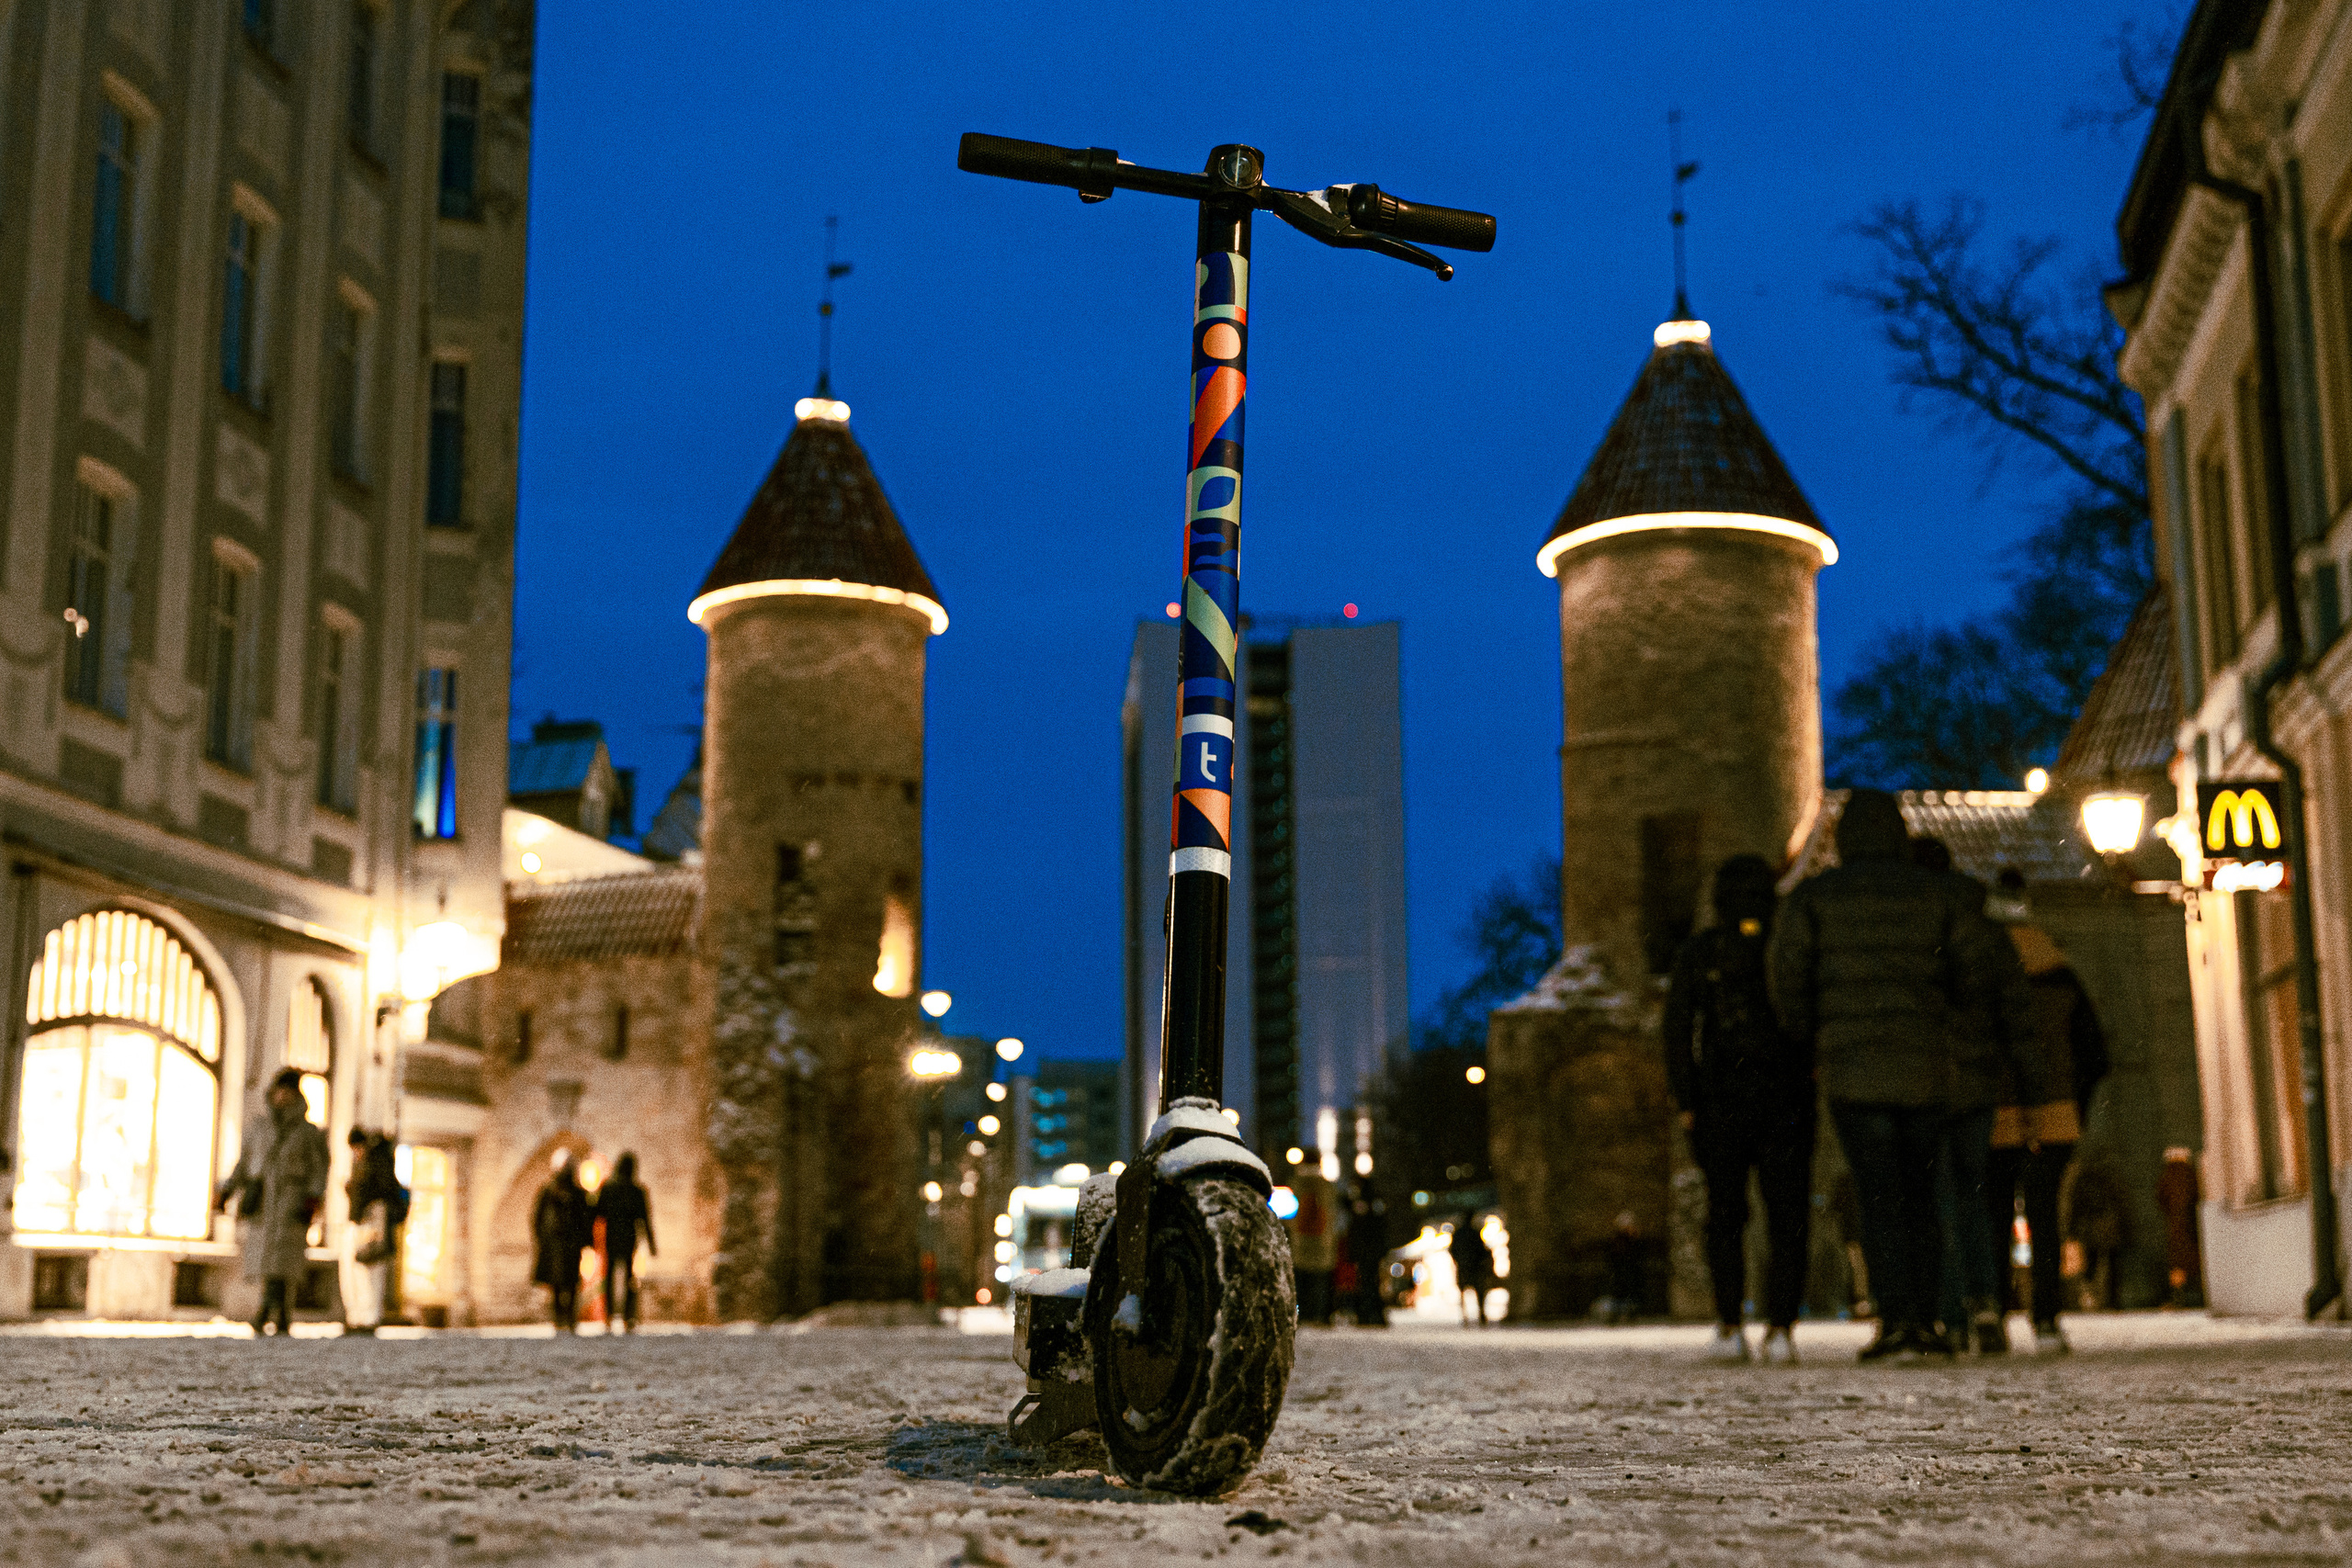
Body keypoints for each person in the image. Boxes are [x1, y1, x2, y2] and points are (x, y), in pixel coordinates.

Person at [1769, 789, 2035, 1365]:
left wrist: (1813, 1032)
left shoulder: (1815, 900)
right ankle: (1930, 1319)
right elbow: (1974, 976)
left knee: (1877, 1193)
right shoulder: (1940, 898)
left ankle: (1893, 1320)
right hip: (1927, 1069)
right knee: (1922, 1192)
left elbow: (1788, 979)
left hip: (1853, 1071)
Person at [1663, 852, 1815, 1366]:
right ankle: (1781, 1327)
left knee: (1726, 1215)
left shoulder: (1702, 951)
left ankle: (1730, 1323)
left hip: (1721, 1100)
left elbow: (1678, 1029)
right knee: (1787, 1216)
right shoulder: (1787, 946)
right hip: (1787, 1098)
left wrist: (1687, 1100)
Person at [1985, 899, 2109, 1355]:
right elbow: (2095, 1055)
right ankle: (2046, 1318)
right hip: (2056, 1115)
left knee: (1995, 1216)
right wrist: (2074, 1102)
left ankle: (1995, 1312)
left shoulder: (1984, 978)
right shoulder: (2063, 982)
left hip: (1995, 1116)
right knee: (2045, 1217)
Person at [1911, 836, 2016, 1357]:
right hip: (1976, 1080)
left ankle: (1950, 1313)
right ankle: (1987, 1304)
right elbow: (2011, 1008)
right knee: (1974, 1197)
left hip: (1923, 1082)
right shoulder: (1983, 927)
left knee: (1936, 1200)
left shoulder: (1908, 927)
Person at [219, 1068, 330, 1337]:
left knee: (284, 1262)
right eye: (279, 1091)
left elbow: (319, 1168)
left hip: (291, 1202)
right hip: (263, 1203)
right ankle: (276, 1313)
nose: (282, 1096)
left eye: (288, 1092)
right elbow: (244, 1164)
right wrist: (226, 1191)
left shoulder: (308, 1132)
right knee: (267, 1260)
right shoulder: (259, 1127)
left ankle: (270, 1313)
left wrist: (313, 1198)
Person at [342, 1129, 405, 1336]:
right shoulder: (366, 1163)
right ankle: (360, 1317)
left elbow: (383, 1192)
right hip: (362, 1219)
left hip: (371, 1220)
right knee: (360, 1271)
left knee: (371, 1270)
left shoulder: (375, 1162)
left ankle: (369, 1318)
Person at [593, 1152, 657, 1334]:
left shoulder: (609, 1188)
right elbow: (644, 1219)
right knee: (629, 1277)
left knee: (610, 1277)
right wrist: (651, 1244)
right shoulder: (637, 1191)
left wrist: (591, 1239)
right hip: (629, 1238)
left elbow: (599, 1213)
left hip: (612, 1238)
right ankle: (629, 1314)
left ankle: (610, 1314)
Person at [531, 1150, 593, 1333]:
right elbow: (538, 1218)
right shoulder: (549, 1191)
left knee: (571, 1281)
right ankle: (560, 1318)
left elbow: (584, 1218)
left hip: (570, 1244)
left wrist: (585, 1240)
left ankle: (568, 1318)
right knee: (558, 1283)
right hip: (555, 1243)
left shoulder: (577, 1194)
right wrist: (542, 1238)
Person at [1345, 1179, 1390, 1327]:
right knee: (1372, 1282)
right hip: (1373, 1251)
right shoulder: (1376, 1204)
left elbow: (1356, 1229)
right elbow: (1382, 1228)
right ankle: (1374, 1314)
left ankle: (1365, 1314)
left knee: (1364, 1282)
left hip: (1365, 1251)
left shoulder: (1360, 1204)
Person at [1449, 1213, 1495, 1325]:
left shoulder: (1458, 1234)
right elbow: (1482, 1250)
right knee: (1479, 1291)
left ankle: (1465, 1317)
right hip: (1475, 1267)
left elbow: (1452, 1250)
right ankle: (1481, 1314)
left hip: (1463, 1266)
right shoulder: (1475, 1233)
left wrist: (1458, 1261)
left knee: (1462, 1292)